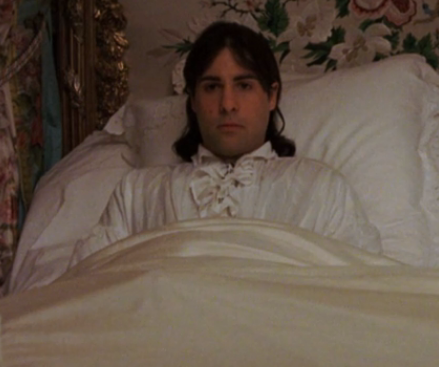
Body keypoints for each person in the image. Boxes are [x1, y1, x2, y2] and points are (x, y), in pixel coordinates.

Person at [70, 21, 381, 265]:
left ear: (272, 96)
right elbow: (86, 286)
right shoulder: (138, 193)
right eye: (212, 87)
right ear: (192, 100)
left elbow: (362, 288)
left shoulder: (320, 188)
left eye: (244, 86)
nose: (228, 104)